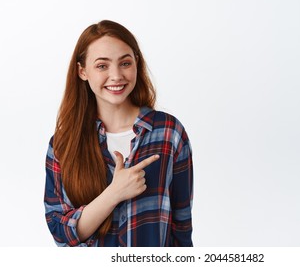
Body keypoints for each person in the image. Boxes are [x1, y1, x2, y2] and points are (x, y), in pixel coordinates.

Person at [44, 20, 193, 247]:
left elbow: (181, 228)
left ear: (136, 65)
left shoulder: (169, 133)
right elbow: (61, 233)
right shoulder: (64, 144)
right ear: (82, 71)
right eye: (102, 66)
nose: (116, 76)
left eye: (125, 63)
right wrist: (114, 193)